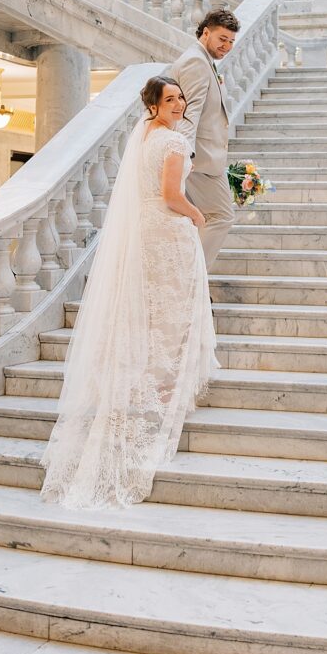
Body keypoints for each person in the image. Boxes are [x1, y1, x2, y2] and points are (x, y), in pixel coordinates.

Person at [40, 77, 217, 509]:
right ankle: (164, 389)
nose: (177, 104)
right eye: (169, 99)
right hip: (169, 232)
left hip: (145, 231)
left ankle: (148, 383)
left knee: (152, 308)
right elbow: (172, 195)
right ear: (154, 105)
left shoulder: (144, 136)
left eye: (180, 98)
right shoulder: (173, 143)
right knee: (173, 309)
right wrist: (197, 215)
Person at [169, 8, 240, 270]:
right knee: (221, 216)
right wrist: (184, 159)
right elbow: (189, 114)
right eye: (222, 39)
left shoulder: (203, 60)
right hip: (198, 161)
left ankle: (190, 283)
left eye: (231, 41)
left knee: (198, 222)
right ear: (206, 32)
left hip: (207, 160)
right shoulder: (195, 62)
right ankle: (192, 279)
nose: (227, 46)